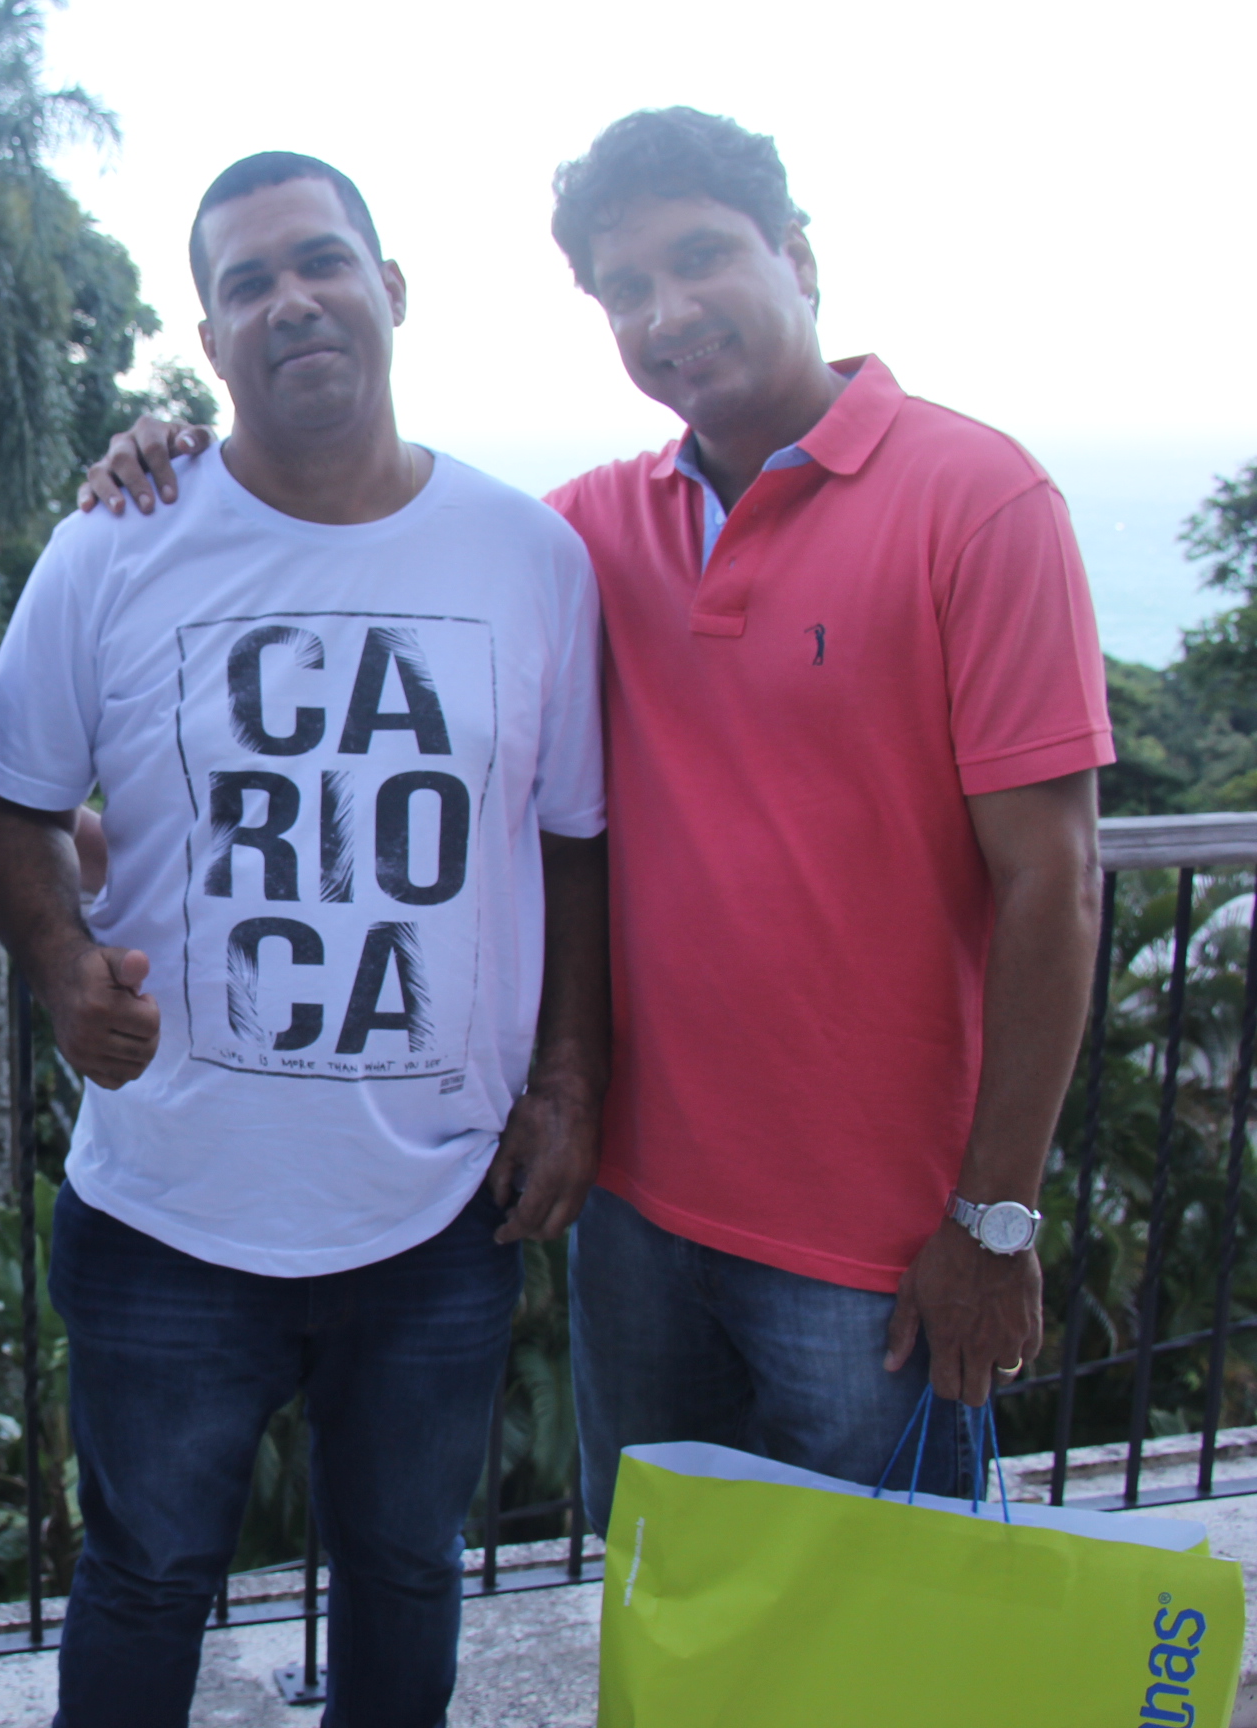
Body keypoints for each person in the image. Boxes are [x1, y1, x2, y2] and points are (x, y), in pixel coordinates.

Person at [81, 109, 1110, 1527]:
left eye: (702, 259)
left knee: (881, 1622)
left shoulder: (978, 500)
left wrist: (993, 1220)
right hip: (633, 1215)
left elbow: (1057, 885)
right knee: (664, 1606)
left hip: (878, 1242)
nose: (666, 313)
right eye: (626, 289)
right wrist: (178, 456)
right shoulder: (585, 536)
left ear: (799, 256)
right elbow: (383, 526)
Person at [0, 152, 608, 1728]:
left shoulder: (528, 557)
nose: (293, 300)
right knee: (143, 1578)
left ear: (389, 291)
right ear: (210, 340)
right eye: (248, 282)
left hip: (436, 1204)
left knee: (406, 1571)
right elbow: (11, 802)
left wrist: (569, 1082)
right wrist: (61, 971)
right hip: (169, 1208)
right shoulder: (117, 542)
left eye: (321, 262)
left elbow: (573, 839)